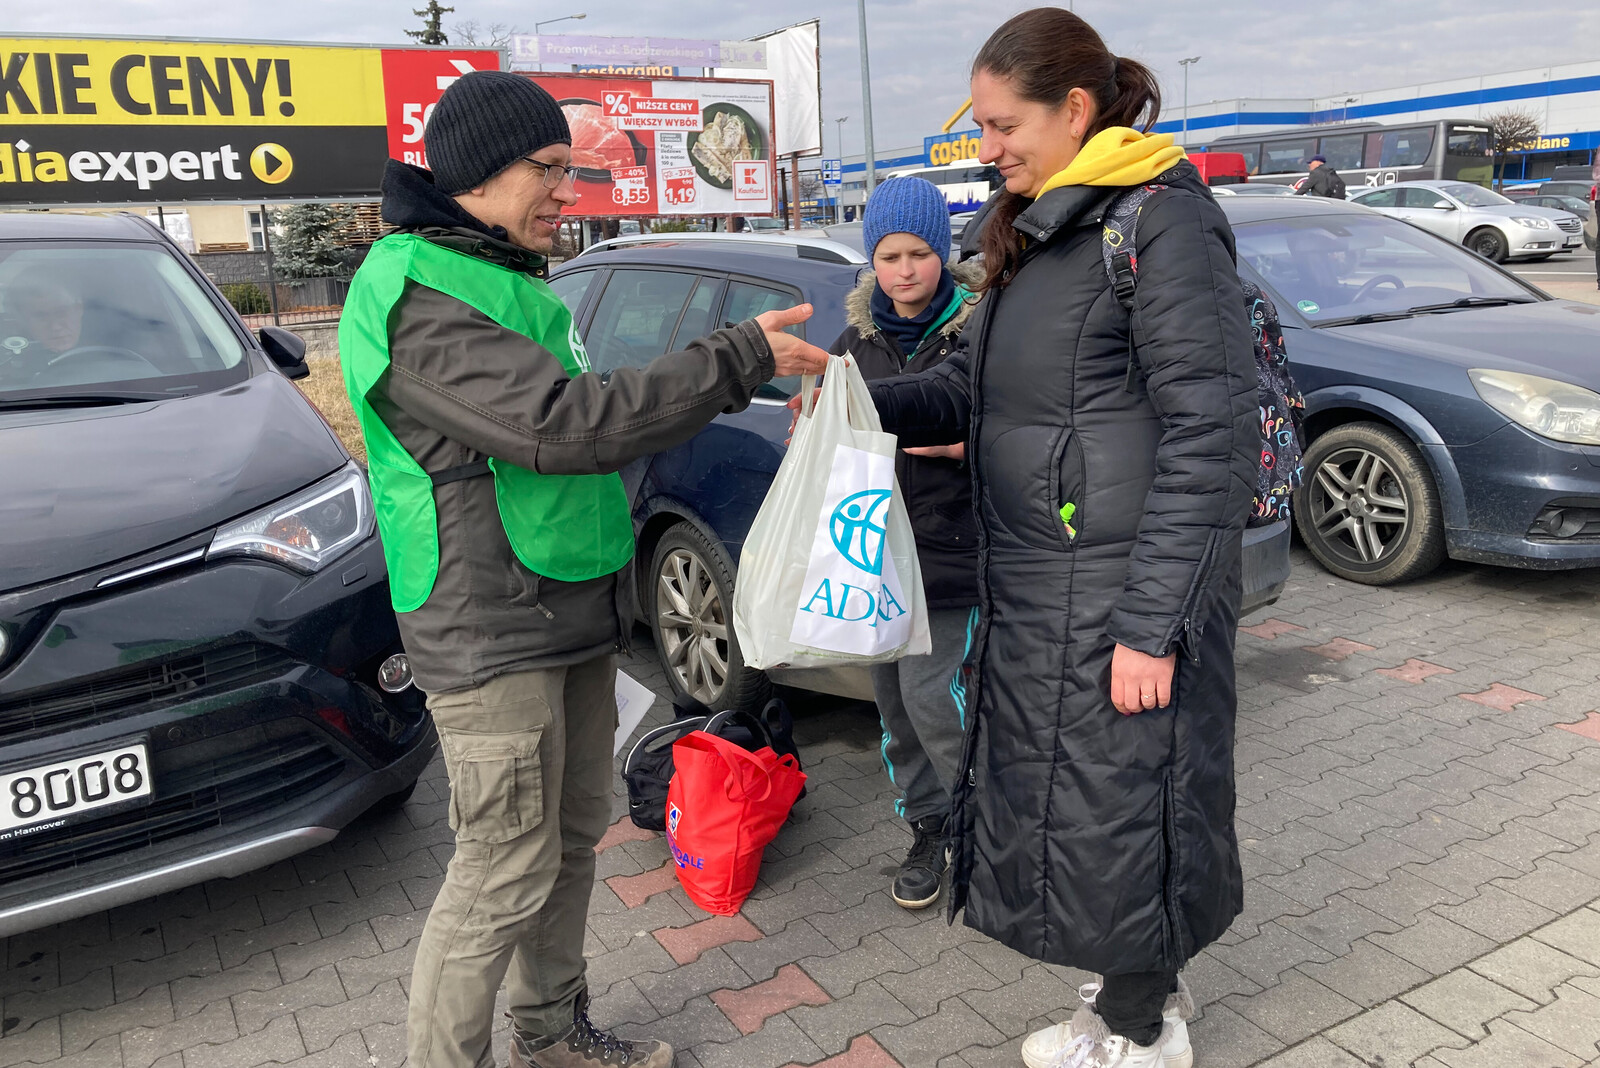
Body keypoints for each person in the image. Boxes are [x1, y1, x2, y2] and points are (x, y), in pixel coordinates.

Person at [338, 71, 828, 1068]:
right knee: (497, 874)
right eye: (548, 171)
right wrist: (734, 358)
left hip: (565, 610)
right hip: (489, 631)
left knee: (563, 852)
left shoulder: (501, 273)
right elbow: (561, 425)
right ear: (477, 172)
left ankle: (554, 1035)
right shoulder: (415, 294)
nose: (567, 193)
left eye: (569, 170)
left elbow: (585, 404)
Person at [856, 9, 1257, 1067]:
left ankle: (1139, 1031)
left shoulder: (1160, 224)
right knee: (1095, 815)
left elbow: (1210, 437)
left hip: (1122, 590)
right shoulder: (1042, 231)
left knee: (1131, 807)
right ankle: (1136, 997)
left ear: (1075, 110)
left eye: (1000, 123)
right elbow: (968, 391)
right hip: (1047, 586)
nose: (984, 147)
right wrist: (864, 402)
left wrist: (1152, 625)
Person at [829, 176, 983, 910]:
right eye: (889, 255)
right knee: (895, 710)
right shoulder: (853, 343)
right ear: (872, 261)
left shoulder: (981, 330)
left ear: (944, 254)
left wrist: (963, 451)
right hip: (877, 562)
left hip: (956, 557)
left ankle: (979, 828)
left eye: (920, 252)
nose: (906, 270)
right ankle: (928, 828)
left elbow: (1032, 432)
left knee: (938, 702)